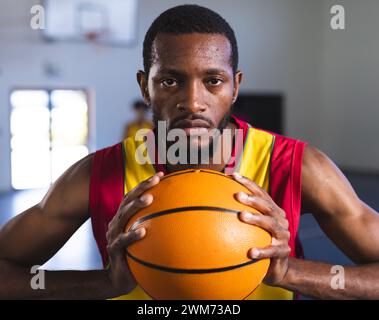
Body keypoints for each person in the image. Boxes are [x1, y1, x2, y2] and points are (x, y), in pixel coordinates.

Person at [1, 4, 379, 300]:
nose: (193, 101)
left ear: (235, 87)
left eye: (213, 81)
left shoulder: (296, 166)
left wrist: (289, 272)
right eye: (170, 80)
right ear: (145, 87)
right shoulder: (96, 175)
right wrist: (103, 284)